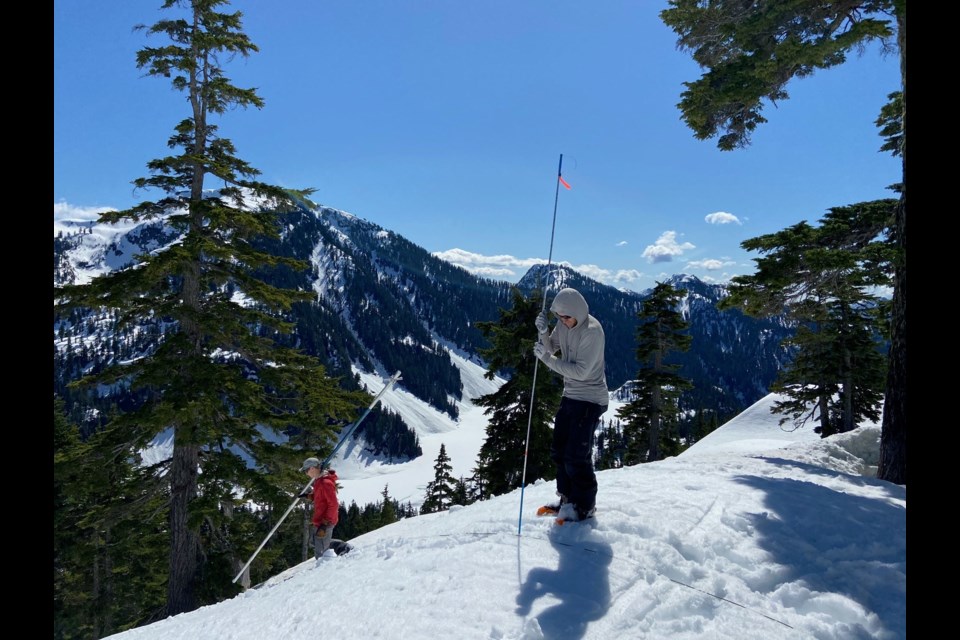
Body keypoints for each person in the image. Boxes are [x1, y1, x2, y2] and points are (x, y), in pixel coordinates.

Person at [532, 287, 608, 522]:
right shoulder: (564, 324)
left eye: (566, 317)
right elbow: (551, 347)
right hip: (571, 396)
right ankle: (567, 500)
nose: (563, 321)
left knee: (576, 455)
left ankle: (585, 507)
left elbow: (581, 372)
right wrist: (544, 332)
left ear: (577, 311)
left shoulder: (592, 331)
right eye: (559, 317)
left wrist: (547, 360)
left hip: (591, 399)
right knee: (559, 450)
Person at [299, 457, 340, 559]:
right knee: (314, 542)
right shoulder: (319, 480)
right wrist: (309, 496)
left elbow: (333, 504)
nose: (306, 473)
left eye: (306, 471)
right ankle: (337, 546)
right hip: (320, 520)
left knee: (321, 554)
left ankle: (324, 570)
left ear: (312, 468)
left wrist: (325, 523)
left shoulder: (325, 483)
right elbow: (321, 497)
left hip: (325, 522)